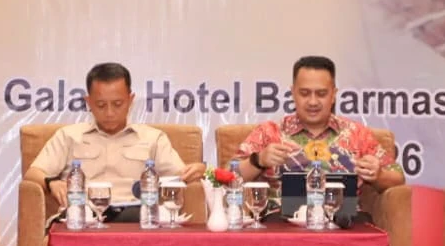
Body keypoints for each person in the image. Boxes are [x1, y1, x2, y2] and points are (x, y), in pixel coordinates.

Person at [26, 62, 205, 222]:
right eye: (101, 105)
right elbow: (33, 173)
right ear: (88, 102)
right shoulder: (68, 136)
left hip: (135, 216)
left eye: (118, 104)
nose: (109, 113)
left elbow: (181, 176)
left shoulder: (153, 138)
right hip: (84, 216)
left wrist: (201, 171)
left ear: (130, 100)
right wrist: (51, 182)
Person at [233, 55, 405, 197]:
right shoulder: (269, 132)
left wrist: (378, 175)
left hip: (343, 223)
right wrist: (258, 161)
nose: (313, 102)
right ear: (293, 93)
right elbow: (228, 177)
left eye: (321, 93)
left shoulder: (356, 134)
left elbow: (398, 178)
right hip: (281, 223)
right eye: (304, 93)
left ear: (334, 95)